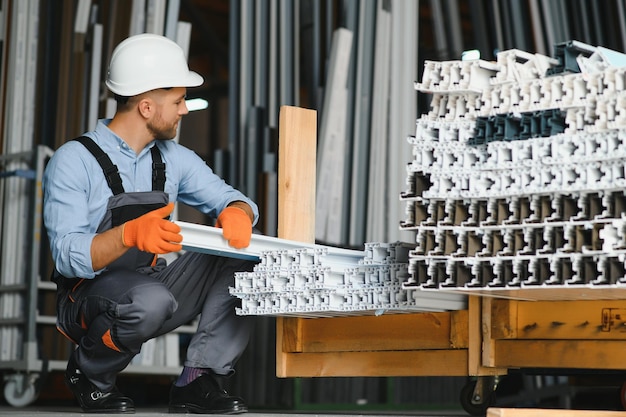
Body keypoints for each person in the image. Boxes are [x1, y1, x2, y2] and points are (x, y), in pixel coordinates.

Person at [43, 33, 258, 414]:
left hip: (152, 287)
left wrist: (238, 211)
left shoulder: (173, 158)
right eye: (178, 101)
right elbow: (65, 256)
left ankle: (197, 379)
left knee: (247, 256)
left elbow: (229, 196)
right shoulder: (73, 160)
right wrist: (126, 234)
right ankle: (89, 375)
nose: (184, 110)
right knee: (149, 300)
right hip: (86, 297)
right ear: (145, 107)